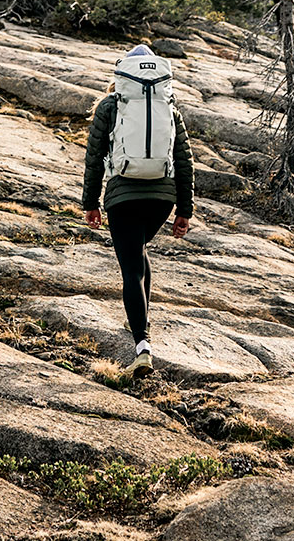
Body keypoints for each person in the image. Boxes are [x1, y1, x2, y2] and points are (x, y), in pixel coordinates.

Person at [82, 45, 194, 377]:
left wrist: (90, 203)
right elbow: (185, 162)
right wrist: (184, 209)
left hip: (123, 197)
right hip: (162, 198)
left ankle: (142, 346)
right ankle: (143, 327)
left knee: (131, 268)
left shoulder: (110, 106)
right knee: (139, 252)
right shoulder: (169, 107)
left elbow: (93, 158)